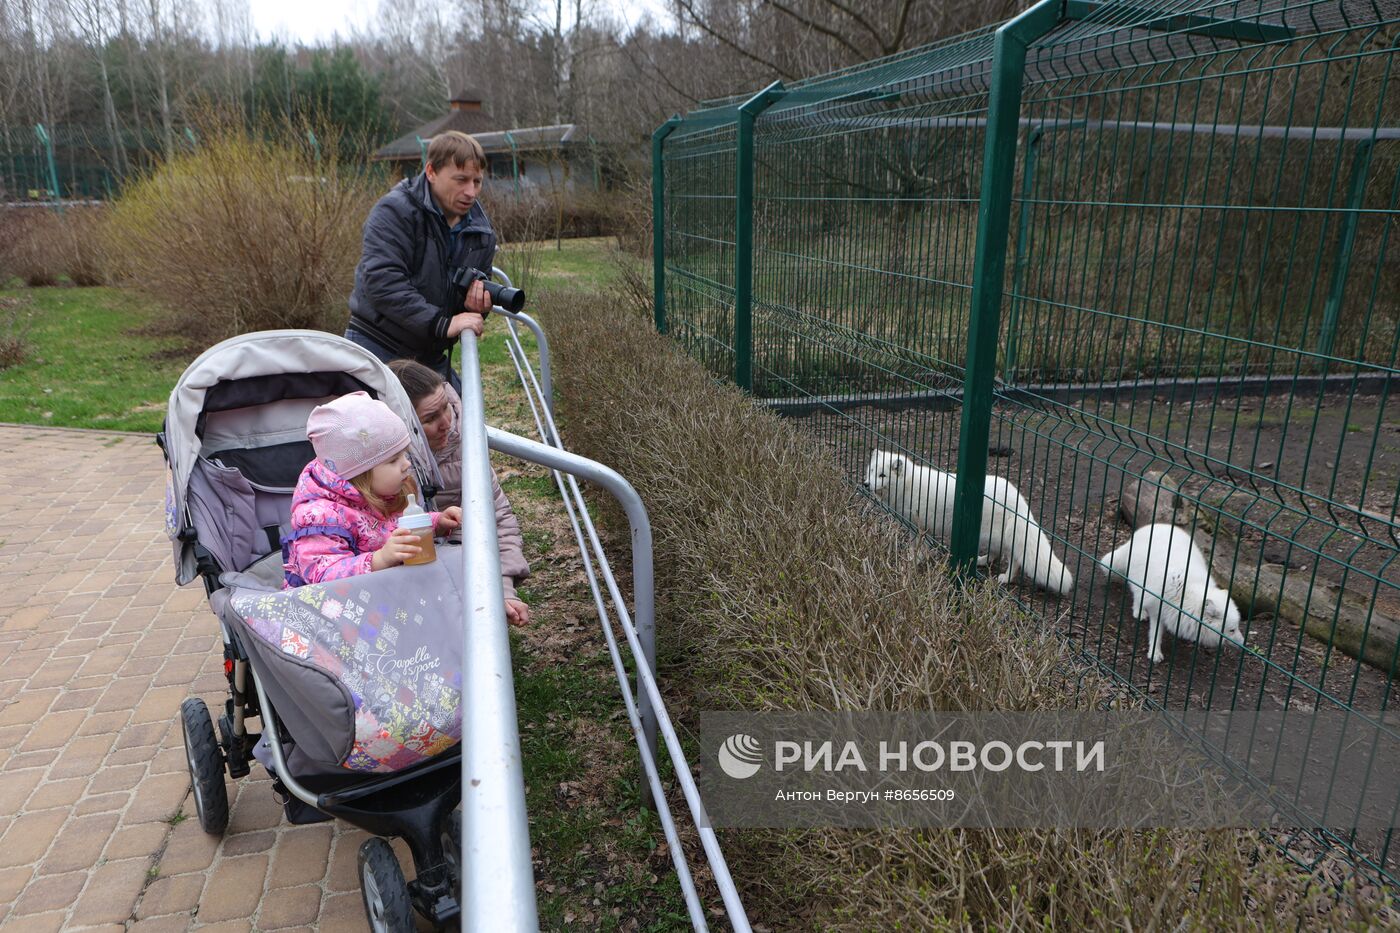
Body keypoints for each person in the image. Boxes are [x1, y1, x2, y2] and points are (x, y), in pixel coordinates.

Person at [282, 391, 530, 626]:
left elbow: (391, 525)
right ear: (359, 474)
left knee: (455, 566)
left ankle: (486, 613)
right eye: (393, 460)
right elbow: (323, 576)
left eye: (403, 455)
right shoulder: (319, 516)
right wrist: (378, 559)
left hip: (384, 593)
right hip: (337, 613)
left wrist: (435, 523)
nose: (406, 464)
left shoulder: (378, 492)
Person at [345, 131, 497, 392]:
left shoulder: (481, 230)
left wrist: (476, 305)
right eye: (461, 180)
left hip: (429, 349)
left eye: (477, 181)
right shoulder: (395, 211)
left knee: (463, 424)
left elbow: (470, 291)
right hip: (377, 345)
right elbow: (382, 282)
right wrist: (443, 324)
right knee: (382, 430)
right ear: (431, 172)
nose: (471, 192)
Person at [387, 358, 532, 626]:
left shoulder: (467, 443)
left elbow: (497, 519)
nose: (447, 422)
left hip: (461, 569)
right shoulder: (380, 468)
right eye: (430, 418)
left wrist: (502, 590)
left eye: (446, 408)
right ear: (400, 424)